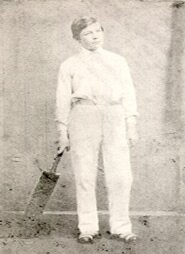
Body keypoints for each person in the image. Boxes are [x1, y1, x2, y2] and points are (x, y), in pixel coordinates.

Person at [56, 16, 139, 244]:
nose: (94, 36)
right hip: (83, 115)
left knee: (121, 175)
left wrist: (131, 123)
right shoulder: (69, 65)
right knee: (85, 174)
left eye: (97, 31)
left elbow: (128, 93)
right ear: (77, 38)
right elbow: (62, 100)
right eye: (87, 34)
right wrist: (63, 132)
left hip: (114, 116)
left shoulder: (118, 61)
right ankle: (88, 228)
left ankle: (121, 227)